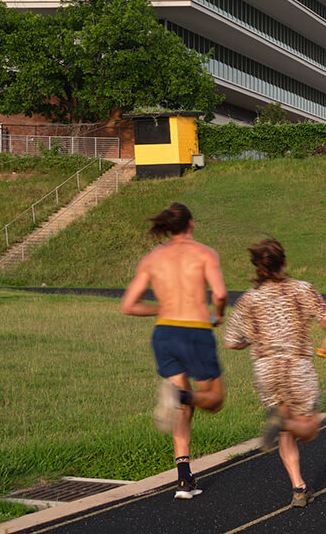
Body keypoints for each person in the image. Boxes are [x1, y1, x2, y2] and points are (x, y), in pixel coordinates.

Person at [121, 202, 228, 500]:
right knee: (213, 400)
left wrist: (161, 307)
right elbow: (219, 293)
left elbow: (129, 305)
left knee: (184, 409)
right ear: (191, 224)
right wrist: (217, 315)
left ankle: (184, 480)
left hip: (164, 333)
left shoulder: (153, 258)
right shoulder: (204, 253)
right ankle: (179, 396)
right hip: (195, 330)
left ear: (167, 227)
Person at [224, 235, 326, 509]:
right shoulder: (302, 289)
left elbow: (232, 342)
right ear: (283, 262)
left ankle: (299, 489)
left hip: (266, 369)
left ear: (258, 267)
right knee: (308, 429)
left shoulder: (248, 300)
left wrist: (257, 337)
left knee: (284, 430)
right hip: (296, 366)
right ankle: (283, 426)